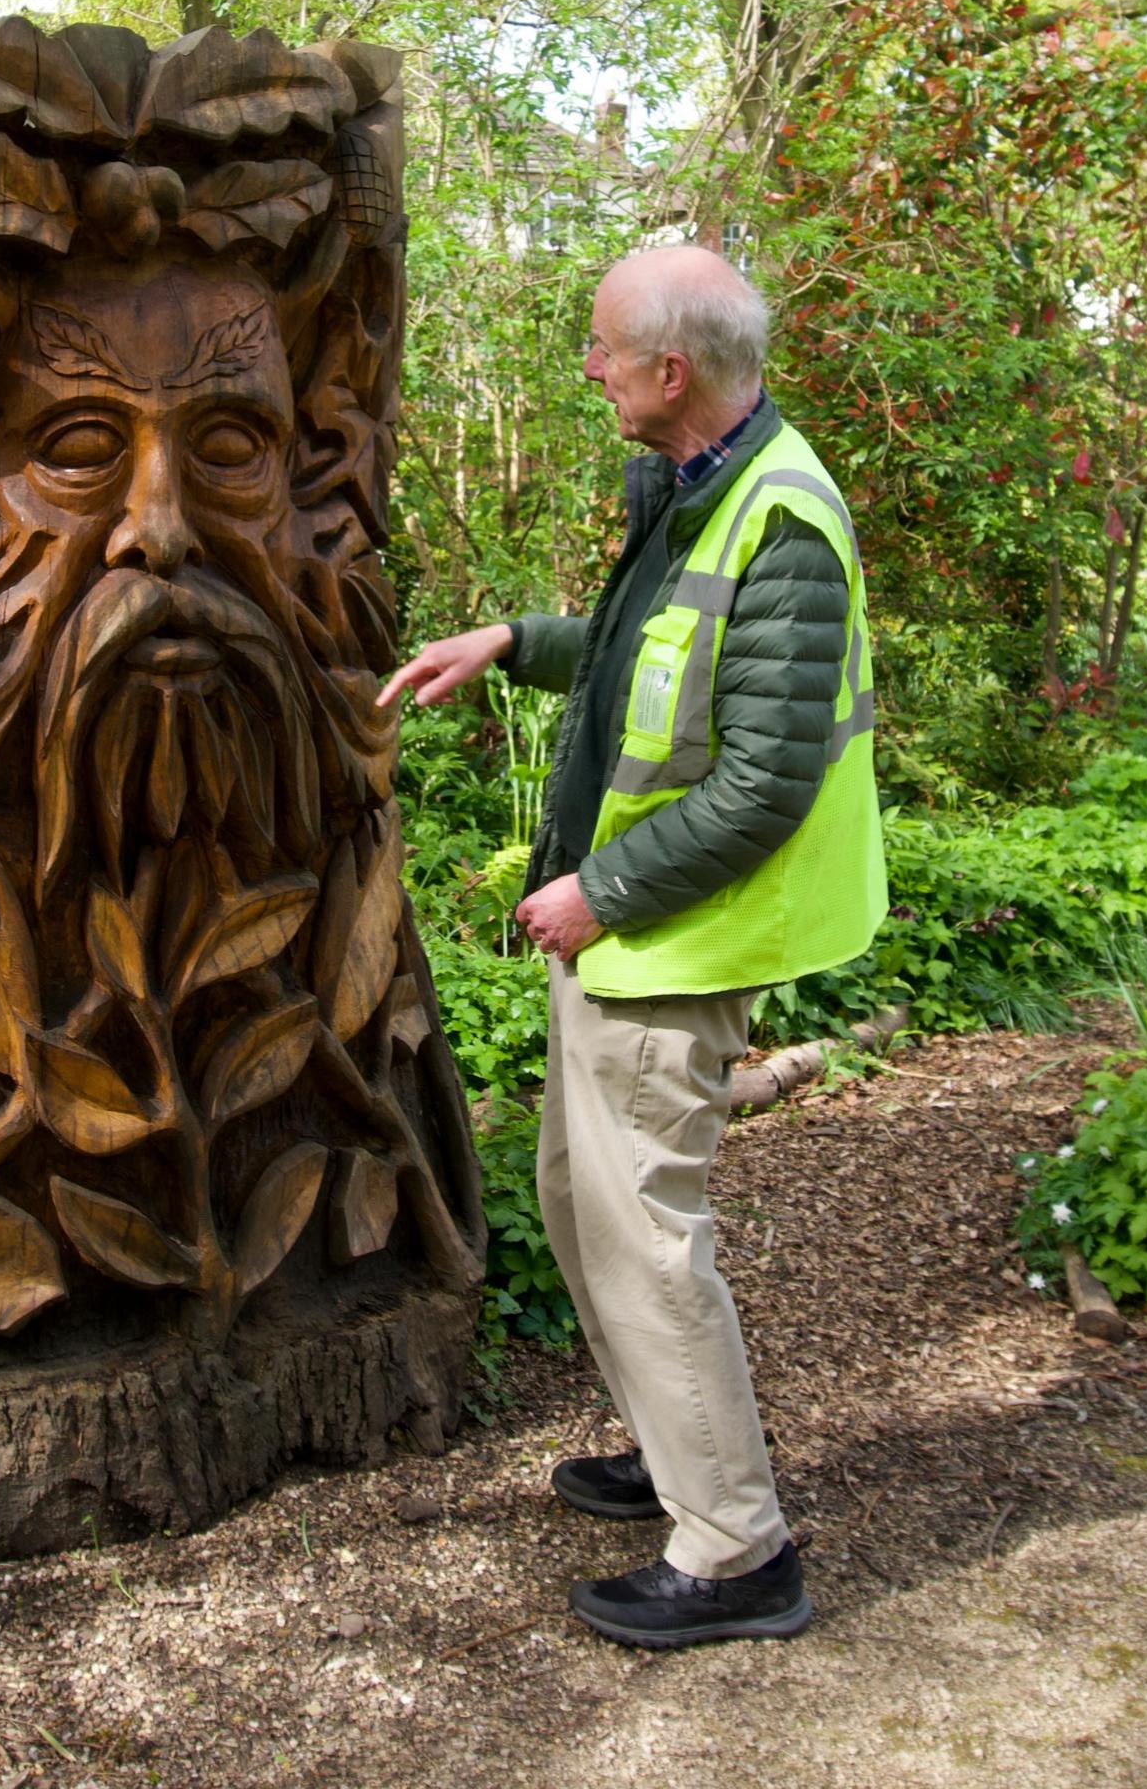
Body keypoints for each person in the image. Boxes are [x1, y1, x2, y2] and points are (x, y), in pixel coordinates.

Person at [379, 242, 886, 1649]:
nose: (588, 368)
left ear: (672, 370)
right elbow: (642, 658)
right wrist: (514, 640)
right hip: (637, 934)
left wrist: (604, 891)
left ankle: (737, 1551)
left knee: (648, 1243)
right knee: (578, 1207)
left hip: (679, 937)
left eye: (603, 348)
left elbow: (764, 781)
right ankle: (678, 1465)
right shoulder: (692, 484)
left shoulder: (779, 519)